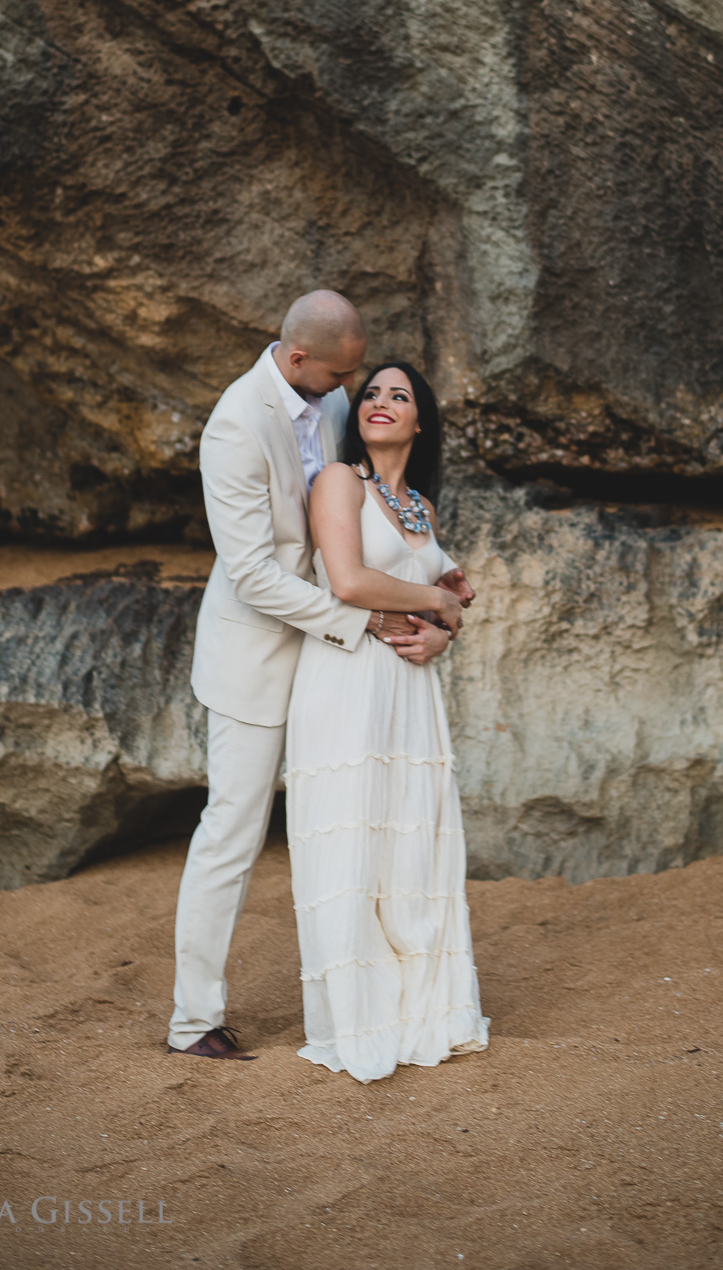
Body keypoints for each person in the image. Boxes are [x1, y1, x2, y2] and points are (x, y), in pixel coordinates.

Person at [168, 293, 470, 1059]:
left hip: (347, 664)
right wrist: (367, 618)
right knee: (232, 835)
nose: (360, 387)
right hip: (263, 657)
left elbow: (375, 517)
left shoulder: (330, 397)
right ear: (298, 358)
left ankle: (385, 995)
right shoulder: (235, 426)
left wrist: (433, 614)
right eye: (347, 373)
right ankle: (192, 1020)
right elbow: (254, 575)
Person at [285, 359, 490, 1082]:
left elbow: (447, 594)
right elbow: (348, 580)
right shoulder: (339, 482)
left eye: (398, 396)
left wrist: (445, 626)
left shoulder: (423, 509)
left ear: (419, 421)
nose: (379, 402)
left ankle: (420, 1013)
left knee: (411, 845)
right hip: (344, 682)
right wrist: (438, 604)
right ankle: (357, 1018)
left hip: (409, 691)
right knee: (351, 844)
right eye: (370, 392)